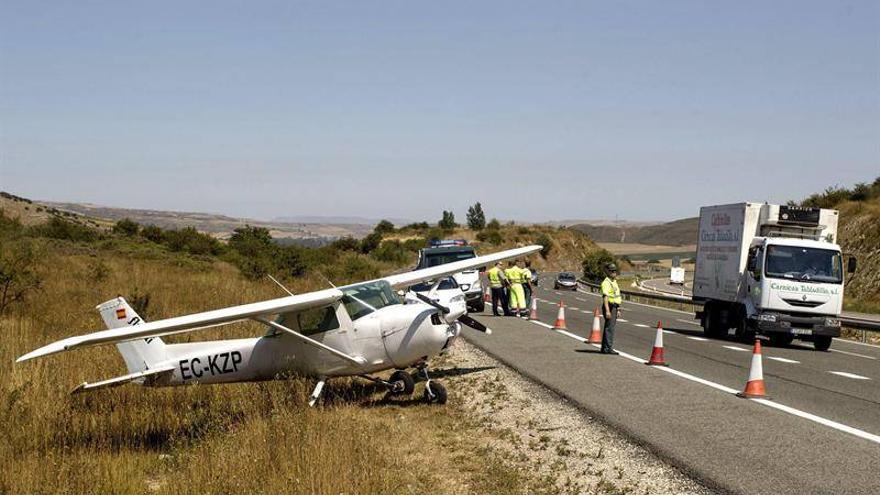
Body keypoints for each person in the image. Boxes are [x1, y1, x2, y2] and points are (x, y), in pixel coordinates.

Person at [600, 262, 622, 355]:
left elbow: (617, 296)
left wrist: (619, 309)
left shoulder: (614, 282)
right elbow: (605, 297)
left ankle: (605, 348)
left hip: (614, 306)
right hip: (609, 306)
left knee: (609, 327)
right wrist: (608, 310)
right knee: (610, 328)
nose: (614, 272)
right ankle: (608, 348)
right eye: (612, 271)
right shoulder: (606, 282)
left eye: (615, 271)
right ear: (608, 272)